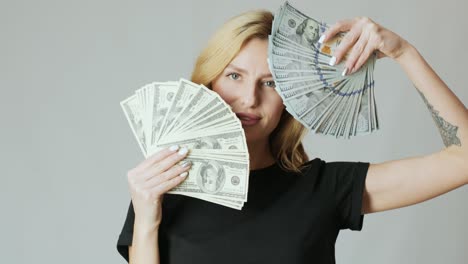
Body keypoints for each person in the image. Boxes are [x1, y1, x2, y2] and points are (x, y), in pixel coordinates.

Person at [116, 10, 468, 264]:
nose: (250, 98)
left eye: (270, 83)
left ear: (291, 98)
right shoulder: (160, 189)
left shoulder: (323, 187)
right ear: (208, 82)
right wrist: (147, 217)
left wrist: (403, 52)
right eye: (234, 76)